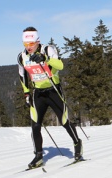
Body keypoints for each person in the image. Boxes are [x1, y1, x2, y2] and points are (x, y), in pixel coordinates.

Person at [17, 27, 83, 169]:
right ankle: (38, 155)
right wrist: (26, 93)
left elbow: (60, 65)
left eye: (31, 44)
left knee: (64, 121)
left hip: (53, 90)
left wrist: (45, 59)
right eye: (25, 44)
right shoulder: (22, 57)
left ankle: (77, 143)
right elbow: (22, 76)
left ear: (38, 41)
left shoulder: (48, 50)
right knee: (35, 125)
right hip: (38, 93)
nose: (28, 47)